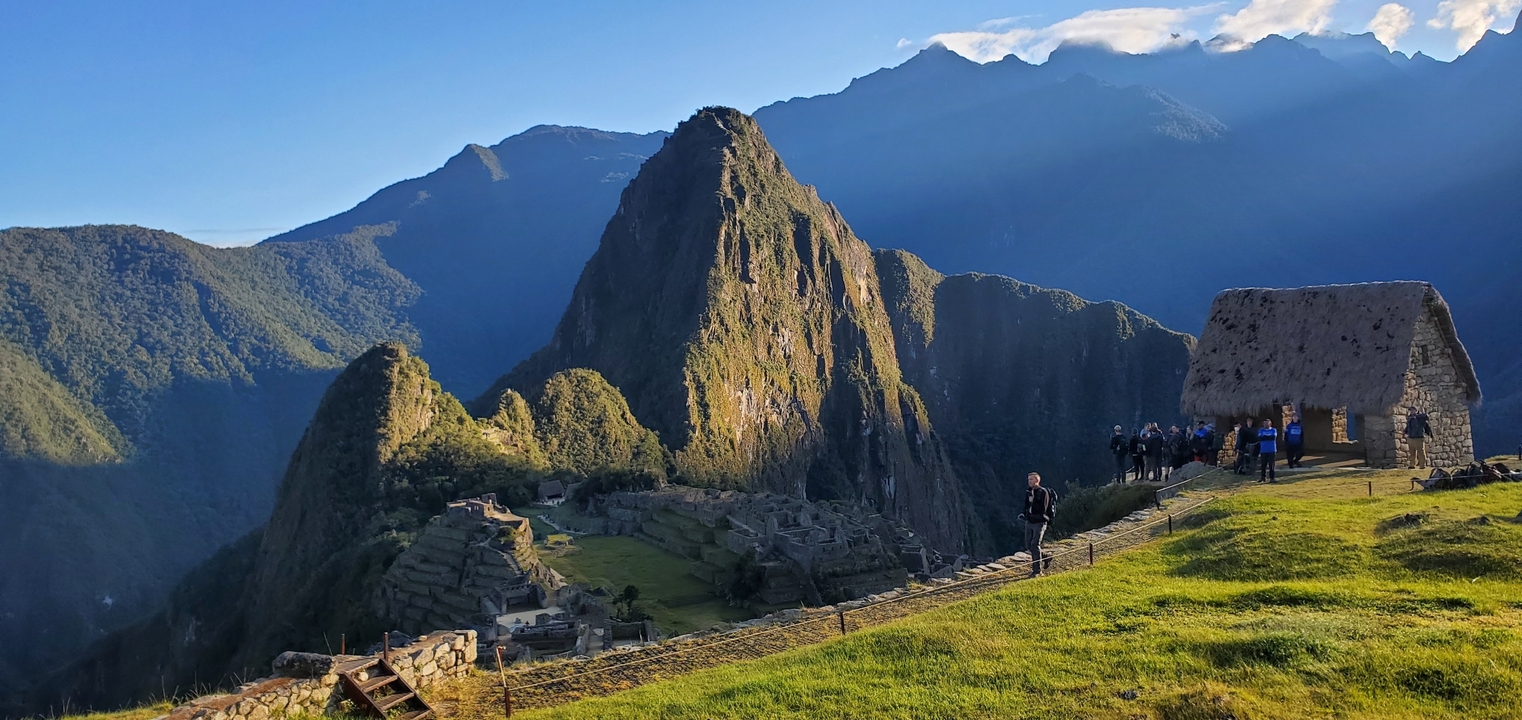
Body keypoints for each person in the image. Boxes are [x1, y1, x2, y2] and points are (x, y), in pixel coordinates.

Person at [1020, 472, 1056, 577]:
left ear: (1037, 480)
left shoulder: (1043, 492)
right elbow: (1026, 505)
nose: (1029, 481)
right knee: (1029, 545)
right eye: (1028, 479)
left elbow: (1043, 509)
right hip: (1029, 521)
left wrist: (1033, 500)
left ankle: (1037, 571)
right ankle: (1045, 557)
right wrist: (1024, 513)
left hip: (1039, 522)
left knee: (1035, 544)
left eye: (1031, 479)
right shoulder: (1029, 491)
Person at [1257, 418, 1279, 483]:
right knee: (1263, 465)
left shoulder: (1273, 430)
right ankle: (1263, 477)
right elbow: (1260, 438)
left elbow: (1273, 437)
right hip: (1263, 450)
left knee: (1271, 465)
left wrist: (1265, 437)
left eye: (1266, 423)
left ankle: (1272, 478)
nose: (1265, 424)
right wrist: (1267, 437)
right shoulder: (1261, 430)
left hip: (1272, 450)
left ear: (1270, 423)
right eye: (1264, 423)